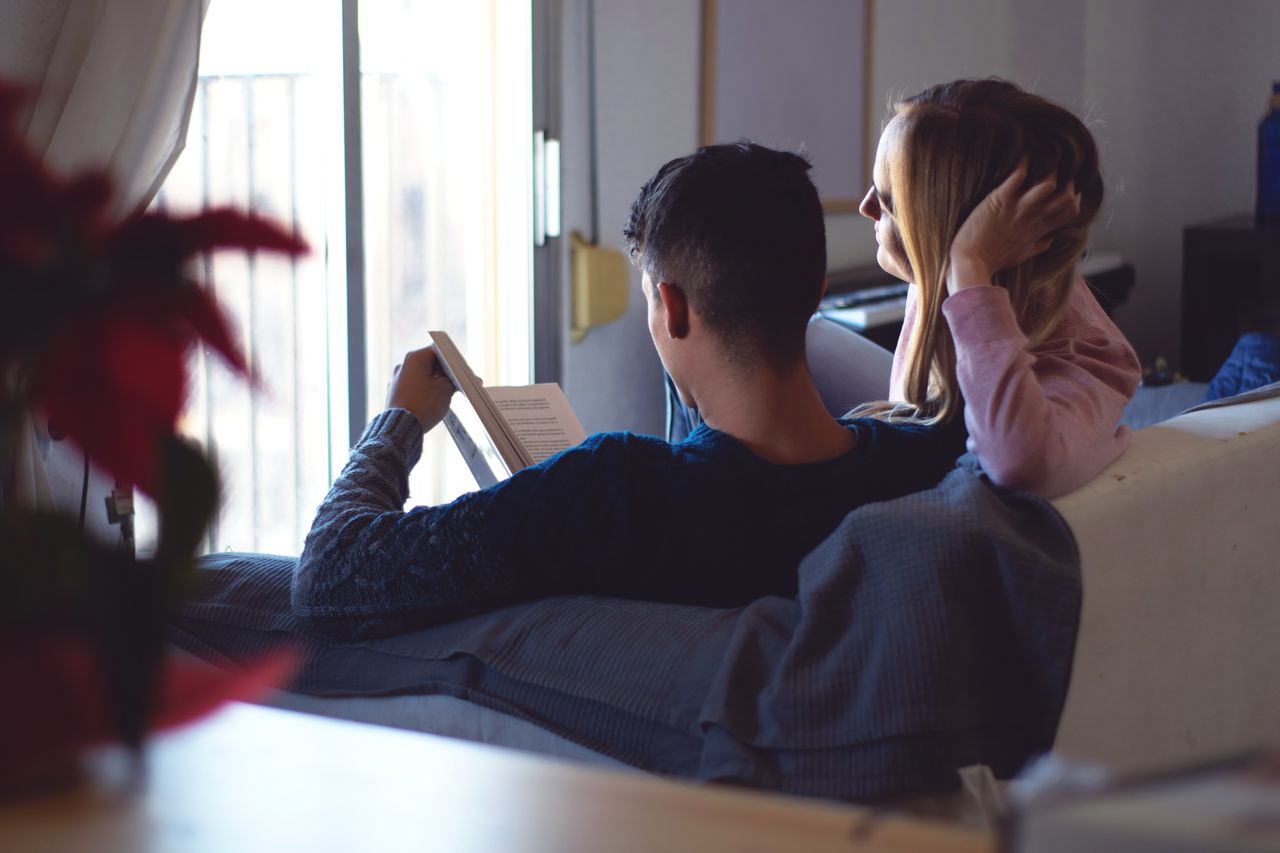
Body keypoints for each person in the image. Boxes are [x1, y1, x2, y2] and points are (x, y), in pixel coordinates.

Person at [293, 142, 1001, 641]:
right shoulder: (929, 461)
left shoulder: (612, 492)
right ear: (815, 293)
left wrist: (399, 422)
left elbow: (328, 574)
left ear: (672, 307)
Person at [856, 78, 1142, 497]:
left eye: (889, 200)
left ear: (962, 235)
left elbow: (1022, 463)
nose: (866, 208)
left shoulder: (1084, 357)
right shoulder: (940, 283)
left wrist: (969, 268)